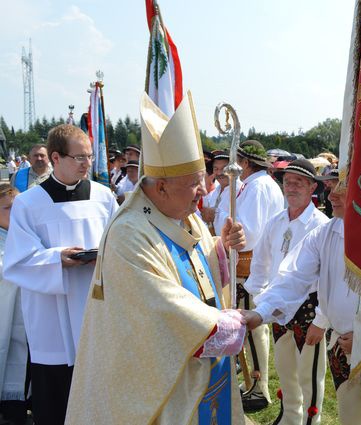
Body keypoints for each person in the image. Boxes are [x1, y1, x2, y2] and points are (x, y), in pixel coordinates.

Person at [65, 93, 247, 425]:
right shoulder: (128, 234)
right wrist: (222, 326)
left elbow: (198, 268)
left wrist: (221, 250)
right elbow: (159, 304)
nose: (203, 192)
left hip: (199, 373)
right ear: (161, 188)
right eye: (194, 184)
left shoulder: (184, 214)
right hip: (158, 386)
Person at [245, 173, 361, 425]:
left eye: (340, 189)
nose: (330, 196)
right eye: (330, 187)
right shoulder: (327, 232)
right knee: (350, 418)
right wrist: (260, 312)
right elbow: (294, 274)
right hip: (341, 346)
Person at [3, 125, 119, 425]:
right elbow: (17, 260)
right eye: (79, 157)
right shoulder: (29, 203)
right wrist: (58, 258)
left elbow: (120, 242)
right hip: (51, 313)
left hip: (95, 304)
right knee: (56, 401)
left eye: (90, 156)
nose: (87, 163)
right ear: (56, 157)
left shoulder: (104, 198)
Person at [244, 159, 329, 425]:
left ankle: (309, 421)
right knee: (285, 369)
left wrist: (321, 320)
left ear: (312, 186)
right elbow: (260, 263)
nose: (291, 187)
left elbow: (328, 278)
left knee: (309, 375)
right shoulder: (276, 222)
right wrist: (260, 299)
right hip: (278, 308)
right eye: (287, 181)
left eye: (299, 182)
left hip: (308, 309)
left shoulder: (320, 224)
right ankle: (290, 417)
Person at [233, 139, 285, 411]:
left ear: (244, 162)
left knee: (254, 328)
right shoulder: (261, 185)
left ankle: (259, 385)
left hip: (251, 266)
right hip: (256, 264)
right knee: (255, 328)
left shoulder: (257, 187)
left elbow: (249, 233)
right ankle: (256, 381)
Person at [0, 185, 28, 425]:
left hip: (26, 315)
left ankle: (18, 406)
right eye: (8, 208)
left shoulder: (28, 235)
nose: (14, 213)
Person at [201, 151, 238, 236]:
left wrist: (215, 215)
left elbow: (243, 225)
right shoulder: (214, 193)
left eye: (224, 168)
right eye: (216, 169)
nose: (219, 173)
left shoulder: (240, 191)